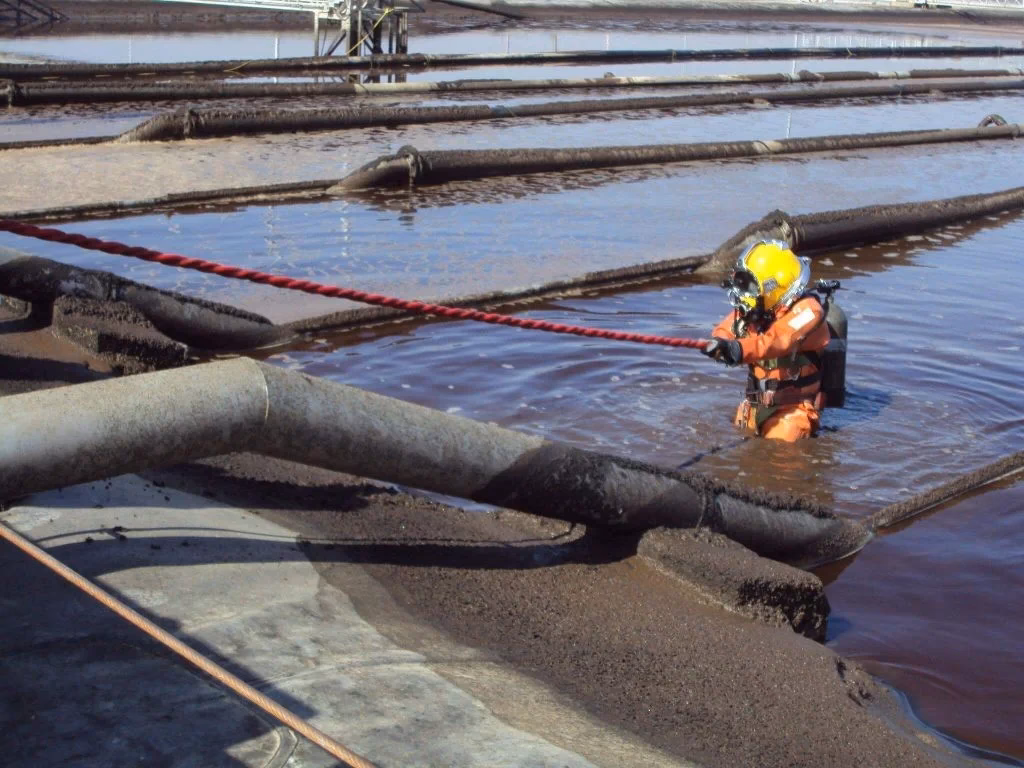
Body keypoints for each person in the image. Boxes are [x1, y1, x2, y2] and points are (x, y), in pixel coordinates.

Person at [701, 239, 831, 442]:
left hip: (792, 411)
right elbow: (729, 327)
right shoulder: (759, 311)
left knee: (776, 456)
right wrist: (719, 343)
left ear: (774, 287)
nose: (745, 293)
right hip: (753, 405)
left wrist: (738, 350)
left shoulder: (809, 312)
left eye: (751, 286)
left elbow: (778, 339)